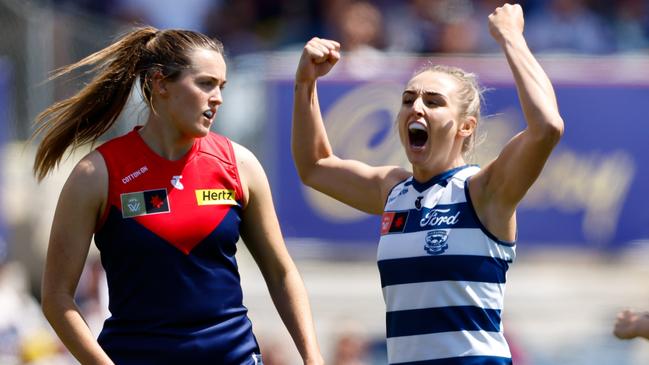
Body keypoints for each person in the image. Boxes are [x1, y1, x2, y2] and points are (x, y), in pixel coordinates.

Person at [33, 26, 323, 365]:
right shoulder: (96, 175)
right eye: (205, 84)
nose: (218, 98)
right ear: (160, 84)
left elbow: (281, 273)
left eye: (222, 86)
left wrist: (312, 357)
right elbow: (56, 298)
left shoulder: (240, 165)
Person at [292, 4, 563, 365]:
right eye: (408, 99)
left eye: (433, 102)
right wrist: (305, 82)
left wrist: (511, 37)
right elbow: (314, 166)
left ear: (465, 126)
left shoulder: (483, 192)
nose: (416, 107)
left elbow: (547, 127)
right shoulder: (393, 191)